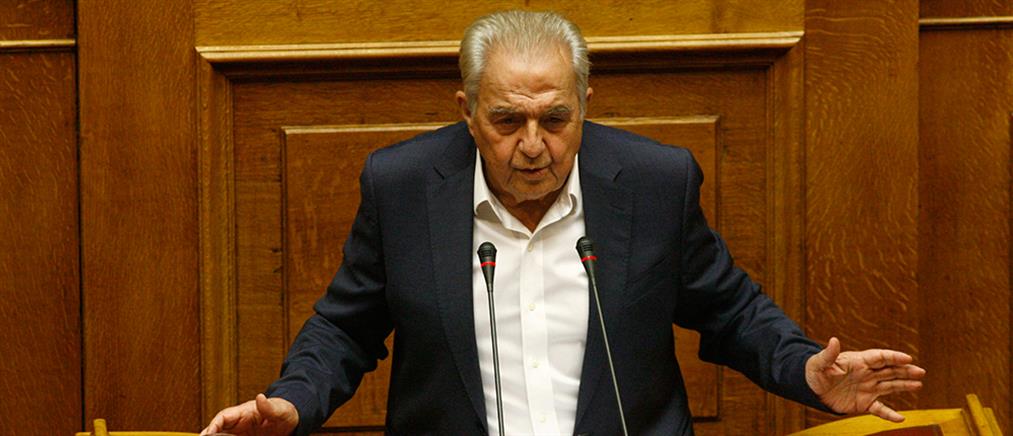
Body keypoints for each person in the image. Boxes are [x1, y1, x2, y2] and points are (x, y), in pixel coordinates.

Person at [201, 10, 924, 436]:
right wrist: (293, 402)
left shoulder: (654, 182)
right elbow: (344, 327)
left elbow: (730, 310)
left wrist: (804, 369)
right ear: (466, 113)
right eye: (506, 121)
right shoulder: (402, 186)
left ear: (584, 105)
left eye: (555, 119)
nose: (533, 145)